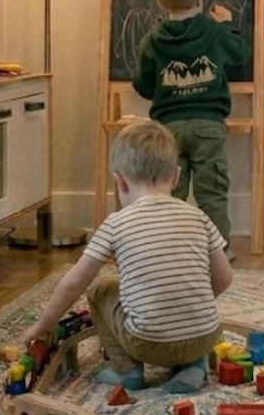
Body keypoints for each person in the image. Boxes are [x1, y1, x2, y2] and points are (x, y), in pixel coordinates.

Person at [20, 118, 232, 394]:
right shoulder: (198, 216)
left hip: (147, 344)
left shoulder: (116, 224)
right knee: (195, 321)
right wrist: (185, 303)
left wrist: (43, 326)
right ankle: (194, 366)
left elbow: (75, 282)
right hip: (205, 336)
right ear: (177, 177)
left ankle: (128, 371)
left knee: (100, 289)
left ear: (119, 182)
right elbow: (225, 278)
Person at [132, 0, 249, 246]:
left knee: (169, 196)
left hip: (168, 129)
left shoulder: (153, 39)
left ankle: (171, 250)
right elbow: (239, 55)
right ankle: (219, 252)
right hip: (208, 126)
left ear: (160, 2)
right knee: (212, 194)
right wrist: (227, 26)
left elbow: (142, 84)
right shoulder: (213, 31)